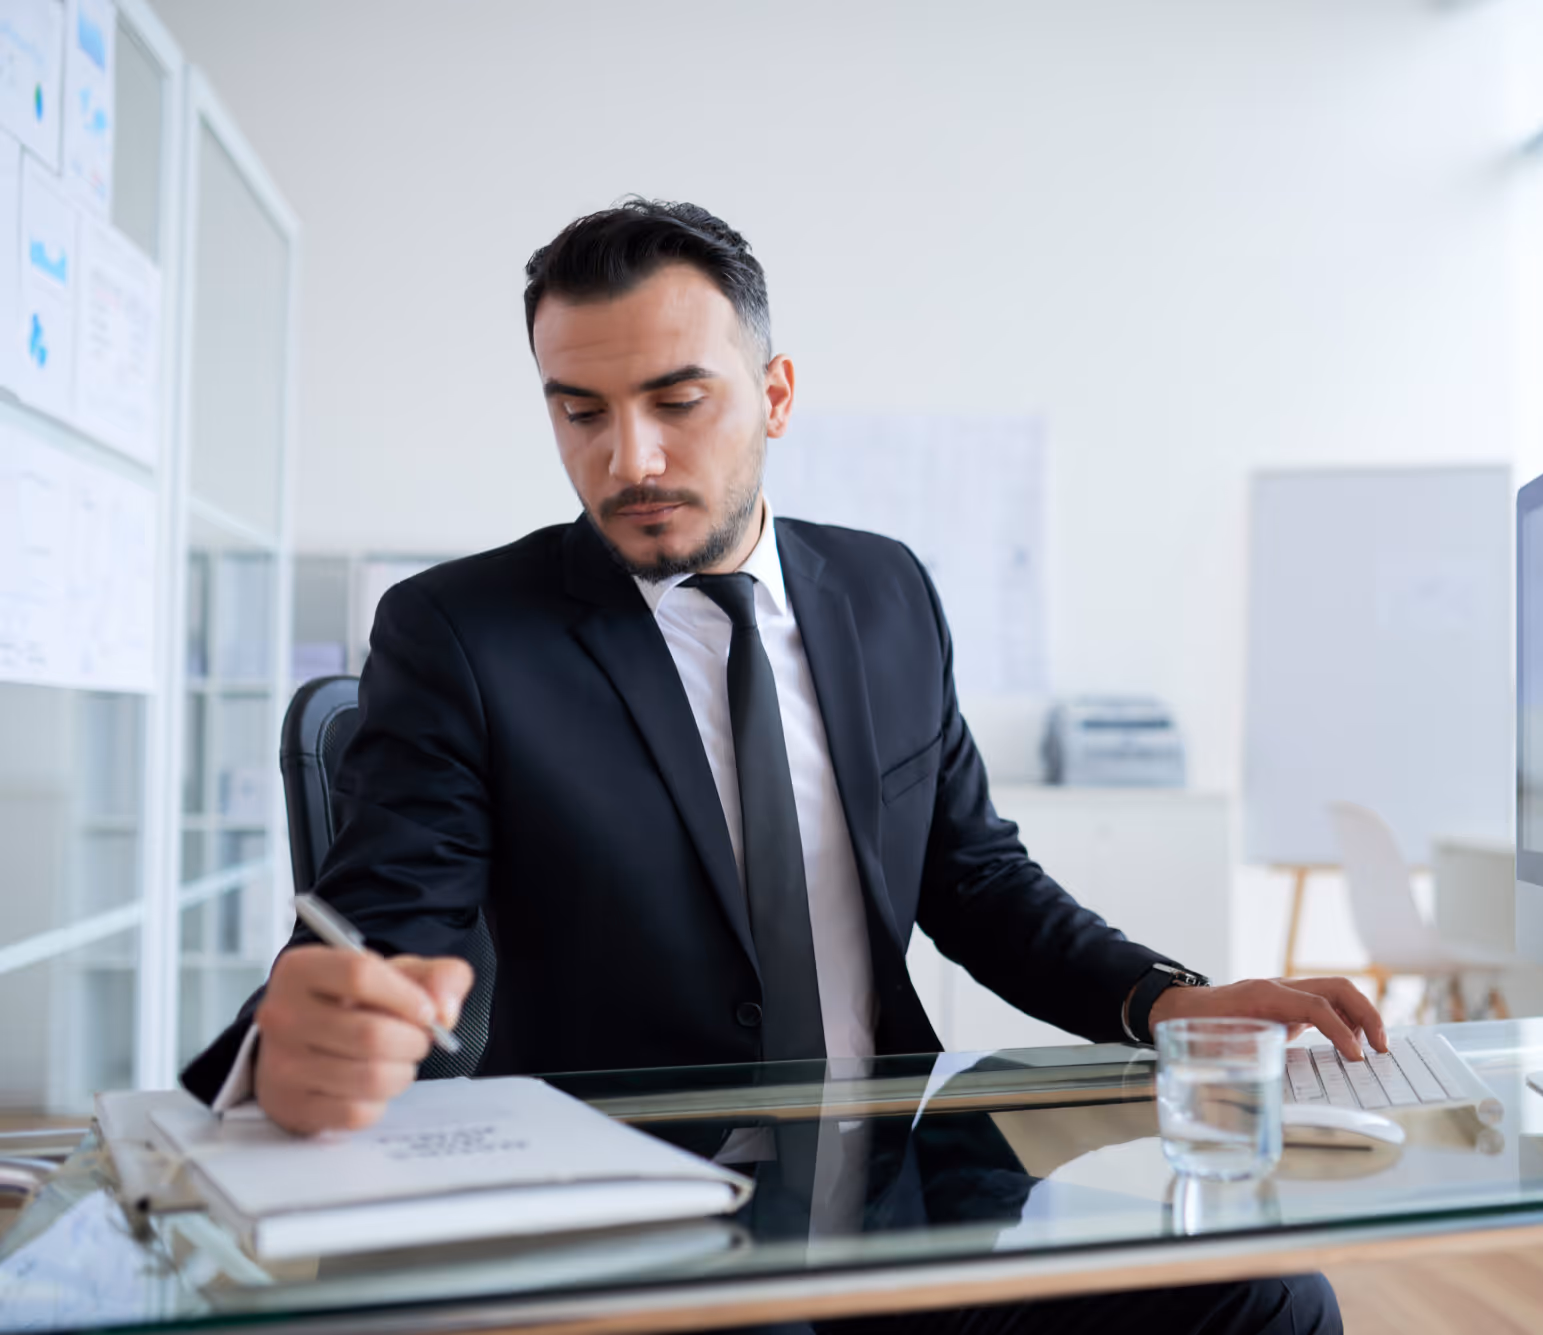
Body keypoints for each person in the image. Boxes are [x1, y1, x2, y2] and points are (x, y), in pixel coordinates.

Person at [182, 199, 1382, 1335]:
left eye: (676, 399)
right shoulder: (460, 631)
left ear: (775, 394)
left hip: (903, 1190)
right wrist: (297, 1043)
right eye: (580, 412)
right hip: (636, 1219)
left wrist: (1169, 1001)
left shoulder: (883, 590)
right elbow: (386, 920)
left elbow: (974, 876)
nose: (629, 458)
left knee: (1271, 1301)